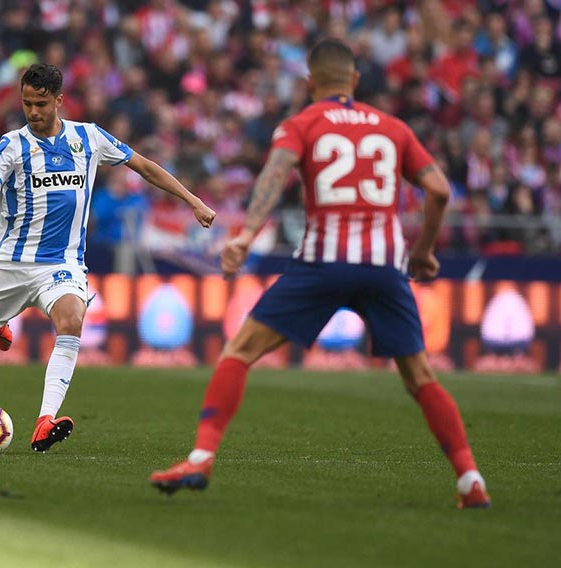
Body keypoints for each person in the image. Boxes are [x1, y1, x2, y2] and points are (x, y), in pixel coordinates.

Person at [149, 39, 491, 509]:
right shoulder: (393, 127)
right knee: (420, 376)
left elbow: (275, 173)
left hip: (322, 262)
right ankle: (470, 480)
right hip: (383, 266)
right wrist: (424, 252)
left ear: (310, 83)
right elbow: (438, 189)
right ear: (354, 81)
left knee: (240, 351)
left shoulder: (302, 123)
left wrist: (247, 234)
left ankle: (202, 457)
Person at [0, 63, 216, 452]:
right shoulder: (12, 145)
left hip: (63, 264)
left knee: (72, 319)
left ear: (59, 100)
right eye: (27, 104)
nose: (34, 112)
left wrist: (192, 201)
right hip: (12, 263)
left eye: (41, 103)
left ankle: (45, 421)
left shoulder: (88, 138)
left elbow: (143, 166)